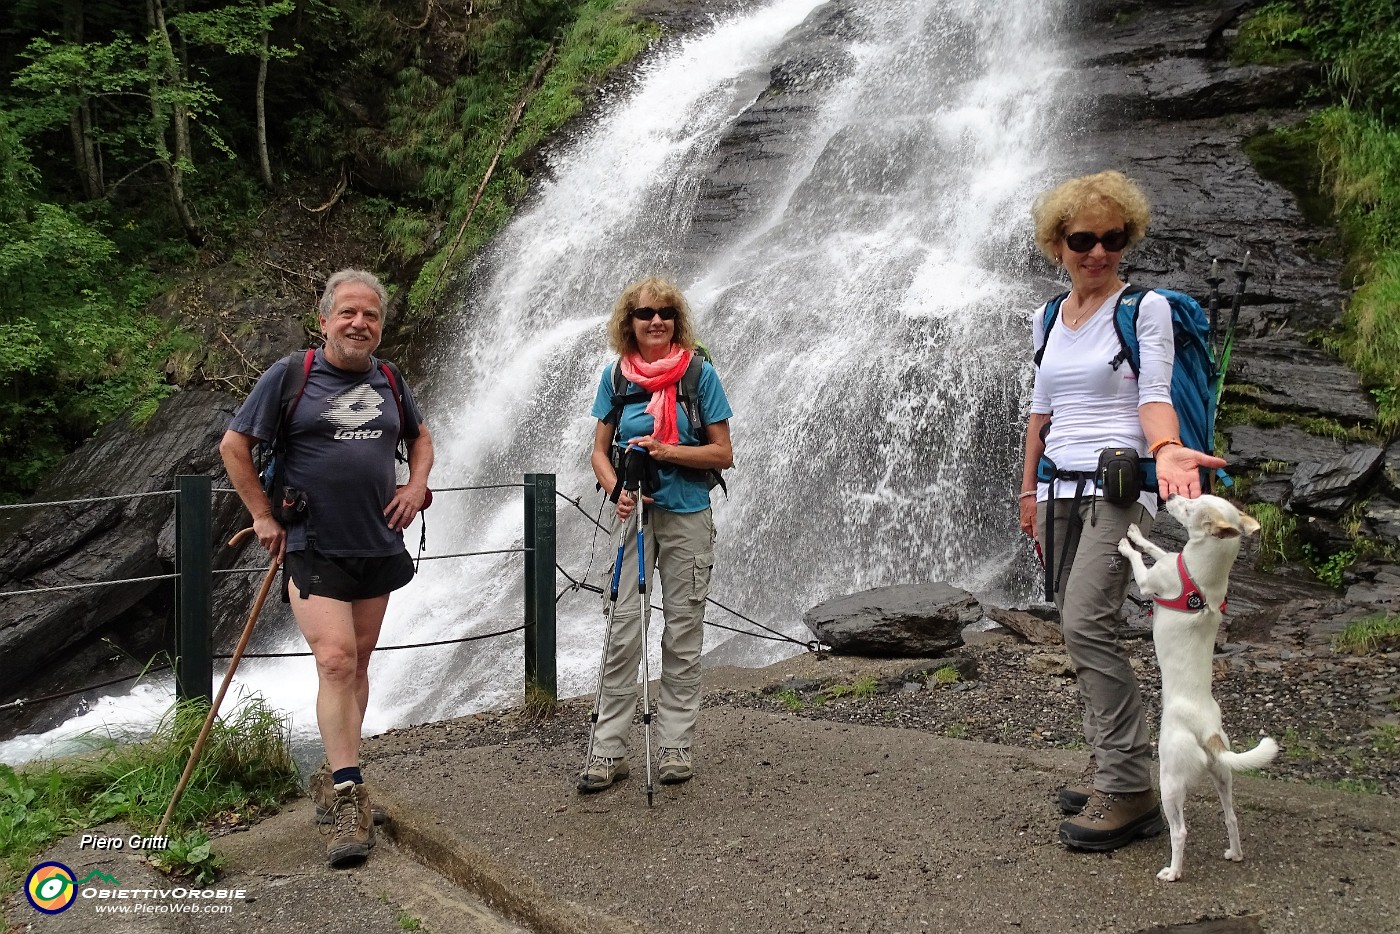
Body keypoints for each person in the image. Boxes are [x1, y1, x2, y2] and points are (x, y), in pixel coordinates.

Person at [1018, 171, 1226, 852]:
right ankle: (1118, 763)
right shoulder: (1049, 316)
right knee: (1085, 626)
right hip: (1058, 491)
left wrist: (1166, 449)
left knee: (1084, 622)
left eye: (1114, 238)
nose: (1099, 252)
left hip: (1118, 491)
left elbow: (1156, 394)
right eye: (1084, 239)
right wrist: (1027, 492)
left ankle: (1130, 785)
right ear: (1059, 243)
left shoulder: (1145, 310)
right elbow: (1040, 413)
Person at [219, 268, 433, 867]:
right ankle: (346, 794)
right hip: (311, 542)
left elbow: (420, 438)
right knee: (335, 658)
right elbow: (235, 445)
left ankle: (344, 773)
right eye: (348, 313)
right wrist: (262, 516)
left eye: (370, 316)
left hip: (377, 540)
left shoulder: (390, 379)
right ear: (324, 320)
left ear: (381, 328)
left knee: (358, 662)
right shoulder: (292, 376)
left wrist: (416, 484)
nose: (359, 323)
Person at [578, 276, 734, 792]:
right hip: (634, 518)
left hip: (687, 514)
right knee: (623, 629)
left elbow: (722, 453)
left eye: (665, 312)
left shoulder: (698, 375)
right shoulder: (616, 379)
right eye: (645, 313)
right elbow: (600, 454)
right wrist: (617, 486)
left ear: (676, 319)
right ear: (630, 322)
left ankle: (673, 746)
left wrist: (666, 452)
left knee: (683, 631)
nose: (656, 321)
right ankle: (607, 751)